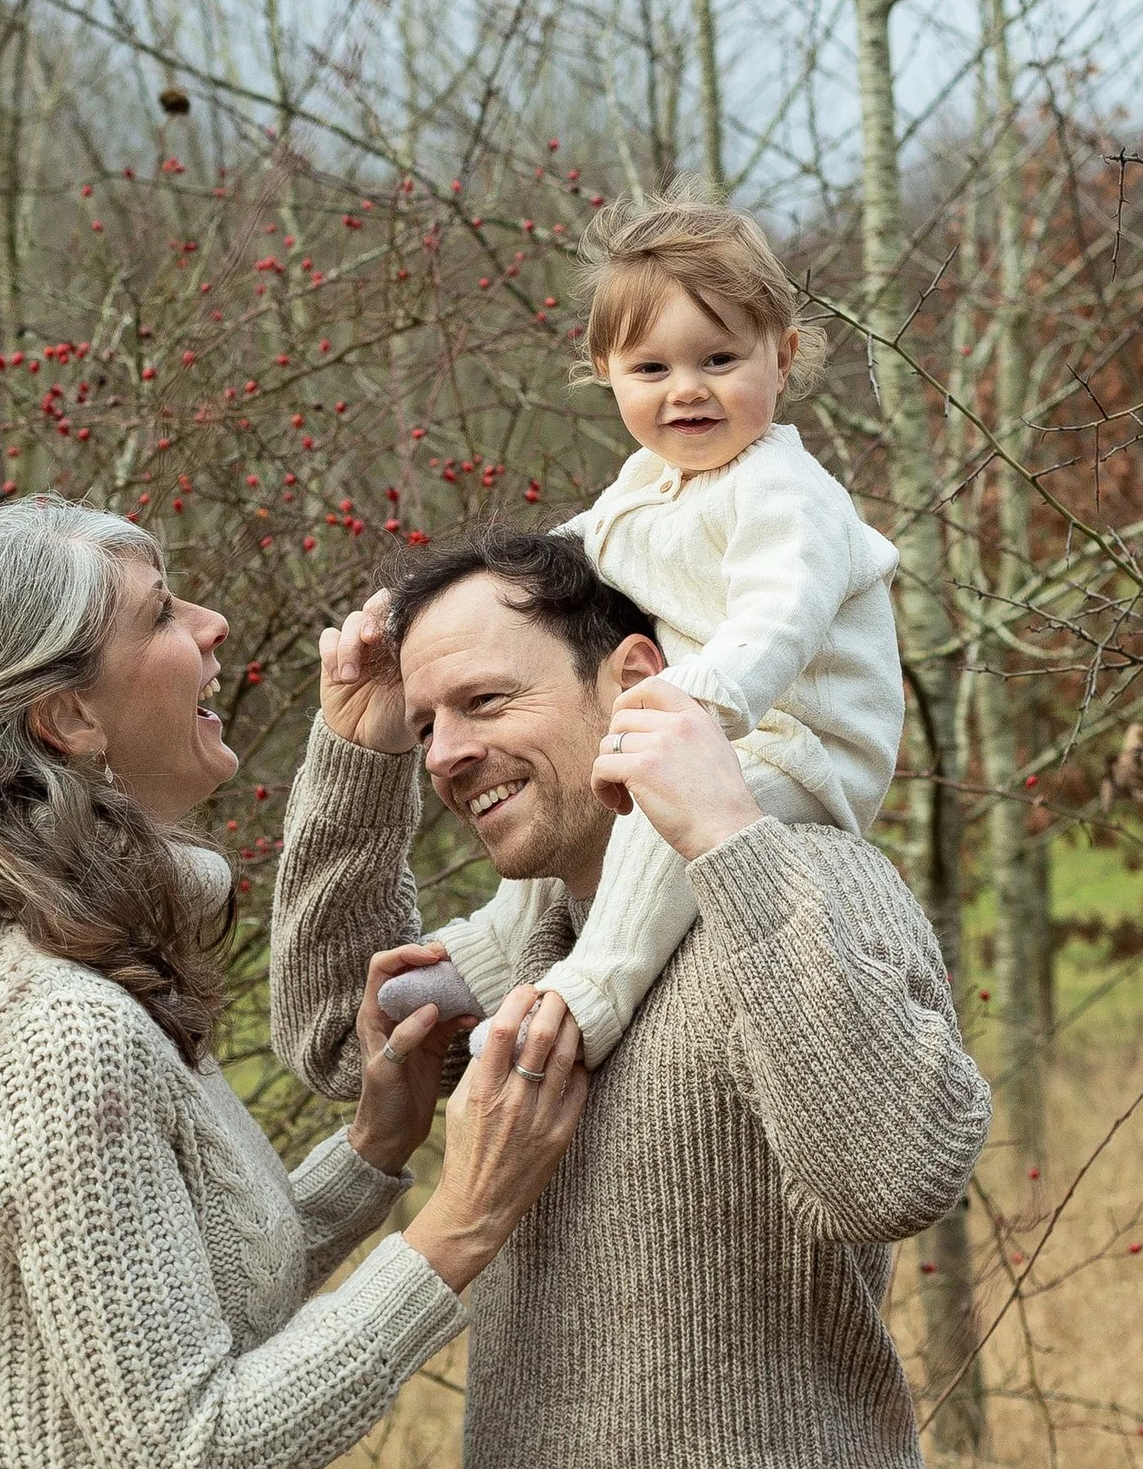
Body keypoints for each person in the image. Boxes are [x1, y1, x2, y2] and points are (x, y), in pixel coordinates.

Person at [0, 496, 588, 1469]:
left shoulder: (52, 976)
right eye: (164, 611)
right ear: (71, 718)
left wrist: (371, 1151)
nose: (215, 624)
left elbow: (176, 1299)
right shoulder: (58, 1033)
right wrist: (465, 1221)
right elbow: (195, 1462)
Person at [270, 528, 991, 1469]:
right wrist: (358, 753)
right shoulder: (539, 933)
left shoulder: (801, 878)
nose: (444, 755)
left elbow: (894, 1175)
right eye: (428, 727)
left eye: (484, 703)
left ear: (636, 683)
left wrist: (725, 836)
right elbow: (343, 1030)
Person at [378, 180, 904, 1071]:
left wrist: (701, 708)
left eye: (719, 360)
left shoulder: (787, 492)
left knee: (656, 815)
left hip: (798, 744)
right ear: (605, 374)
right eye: (652, 370)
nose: (686, 391)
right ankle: (493, 955)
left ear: (782, 358)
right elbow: (575, 550)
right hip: (713, 724)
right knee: (588, 803)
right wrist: (438, 608)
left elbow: (781, 616)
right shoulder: (647, 482)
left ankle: (593, 995)